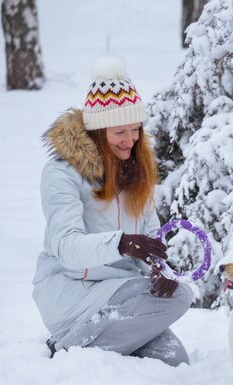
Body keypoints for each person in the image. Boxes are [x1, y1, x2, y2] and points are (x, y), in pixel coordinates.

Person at [32, 57, 192, 366]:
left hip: (121, 293)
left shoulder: (135, 171)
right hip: (71, 292)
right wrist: (120, 243)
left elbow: (148, 236)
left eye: (135, 130)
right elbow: (65, 248)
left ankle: (94, 348)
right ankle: (67, 347)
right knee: (182, 298)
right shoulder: (61, 173)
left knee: (174, 361)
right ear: (98, 131)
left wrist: (158, 269)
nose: (130, 140)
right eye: (120, 132)